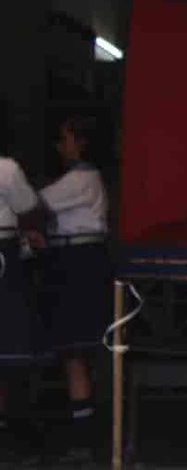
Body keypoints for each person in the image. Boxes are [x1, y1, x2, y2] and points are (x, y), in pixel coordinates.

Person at [35, 115, 111, 464]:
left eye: (64, 139)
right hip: (78, 260)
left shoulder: (81, 179)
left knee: (75, 350)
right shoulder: (84, 178)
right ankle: (87, 429)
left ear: (81, 143)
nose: (58, 146)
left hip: (77, 262)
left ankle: (85, 437)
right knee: (76, 351)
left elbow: (33, 203)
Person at [0, 112, 42, 459]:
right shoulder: (6, 168)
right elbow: (27, 204)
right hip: (3, 251)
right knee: (11, 344)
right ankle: (14, 430)